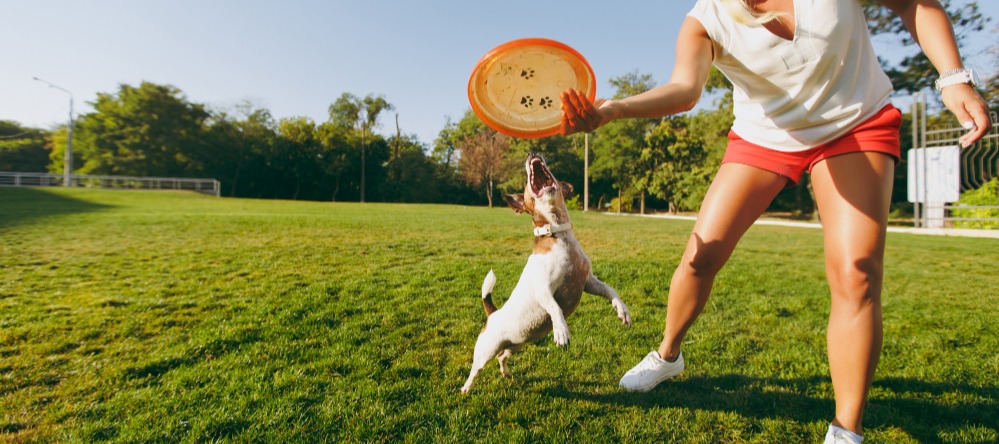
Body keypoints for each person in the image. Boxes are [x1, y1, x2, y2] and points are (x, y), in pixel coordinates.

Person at [559, 0, 991, 442]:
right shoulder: (706, 19)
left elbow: (913, 4)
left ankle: (847, 429)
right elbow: (686, 89)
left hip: (854, 123)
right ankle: (668, 354)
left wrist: (953, 77)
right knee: (699, 258)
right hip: (764, 136)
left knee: (857, 274)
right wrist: (613, 109)